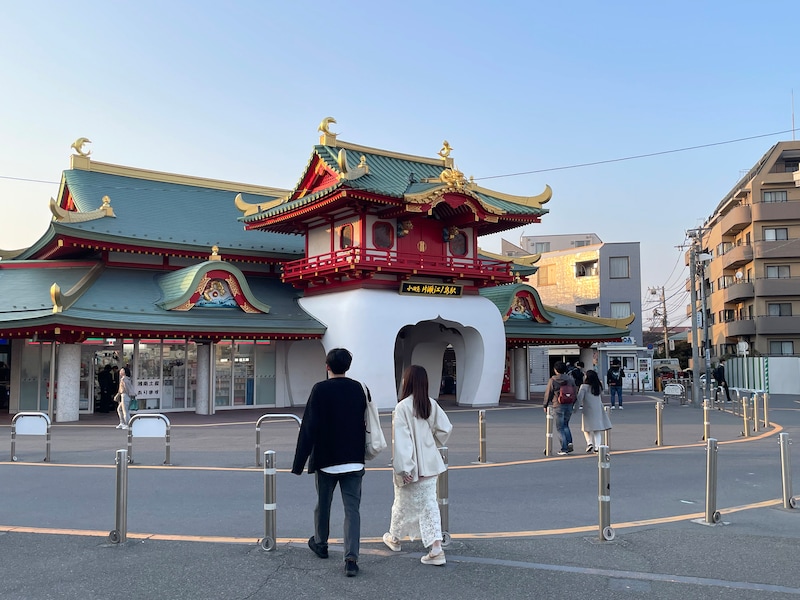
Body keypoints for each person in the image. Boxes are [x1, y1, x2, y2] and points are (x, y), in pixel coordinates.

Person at [291, 348, 367, 578]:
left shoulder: (320, 389)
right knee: (352, 510)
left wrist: (299, 463)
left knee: (323, 503)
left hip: (326, 459)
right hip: (354, 459)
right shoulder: (358, 388)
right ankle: (351, 559)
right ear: (348, 366)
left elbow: (309, 427)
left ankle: (321, 543)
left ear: (327, 366)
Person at [383, 365, 452, 566]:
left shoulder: (402, 407)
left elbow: (402, 441)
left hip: (411, 467)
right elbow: (445, 429)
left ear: (407, 382)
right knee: (429, 504)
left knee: (402, 503)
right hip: (430, 464)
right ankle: (433, 547)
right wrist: (431, 444)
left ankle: (399, 539)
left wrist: (405, 468)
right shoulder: (430, 404)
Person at [543, 361, 576, 455]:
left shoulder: (553, 380)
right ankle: (569, 442)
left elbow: (548, 393)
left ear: (555, 370)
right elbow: (575, 391)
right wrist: (573, 402)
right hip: (569, 404)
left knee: (560, 428)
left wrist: (545, 405)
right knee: (566, 424)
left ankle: (564, 448)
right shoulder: (570, 379)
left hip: (558, 405)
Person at [577, 370, 612, 452]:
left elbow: (579, 398)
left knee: (586, 428)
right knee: (597, 429)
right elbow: (601, 395)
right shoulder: (598, 386)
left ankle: (589, 443)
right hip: (598, 408)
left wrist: (575, 408)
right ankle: (597, 447)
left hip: (587, 409)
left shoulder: (584, 387)